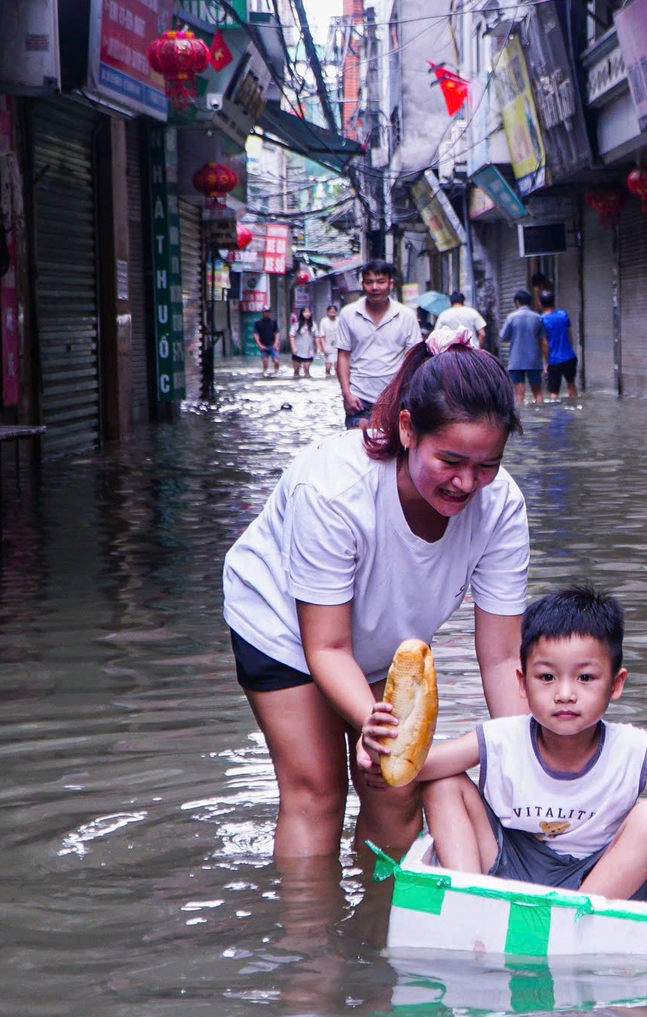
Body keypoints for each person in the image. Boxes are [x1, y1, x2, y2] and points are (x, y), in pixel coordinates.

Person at [223, 333, 530, 859]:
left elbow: (502, 658)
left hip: (385, 637)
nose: (466, 482)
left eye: (486, 465)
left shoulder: (500, 507)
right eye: (451, 460)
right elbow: (327, 649)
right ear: (408, 429)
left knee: (397, 787)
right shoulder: (333, 491)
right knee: (317, 792)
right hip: (285, 628)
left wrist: (527, 761)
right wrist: (371, 723)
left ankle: (375, 931)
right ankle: (310, 938)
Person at [412, 587, 647, 901]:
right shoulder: (502, 737)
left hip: (596, 880)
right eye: (547, 677)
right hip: (507, 864)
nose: (565, 693)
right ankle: (468, 902)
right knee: (441, 782)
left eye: (585, 678)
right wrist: (380, 750)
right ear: (522, 683)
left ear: (615, 684)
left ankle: (572, 919)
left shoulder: (631, 748)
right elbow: (418, 768)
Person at [334, 260, 423, 428]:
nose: (374, 287)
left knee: (395, 452)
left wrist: (410, 396)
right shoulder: (348, 314)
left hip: (395, 399)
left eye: (380, 282)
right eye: (369, 282)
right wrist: (346, 394)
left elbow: (414, 358)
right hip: (359, 398)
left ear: (390, 283)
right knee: (356, 450)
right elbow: (343, 356)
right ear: (362, 284)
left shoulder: (406, 316)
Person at [498, 290, 545, 406]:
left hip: (516, 360)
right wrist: (547, 361)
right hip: (534, 360)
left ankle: (520, 418)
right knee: (538, 391)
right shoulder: (538, 318)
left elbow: (503, 337)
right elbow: (543, 341)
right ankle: (543, 413)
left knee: (519, 394)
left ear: (517, 302)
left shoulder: (511, 317)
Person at [540, 288, 577, 399]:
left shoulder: (541, 319)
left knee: (553, 391)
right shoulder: (563, 314)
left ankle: (554, 414)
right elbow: (570, 336)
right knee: (571, 384)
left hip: (554, 360)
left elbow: (544, 344)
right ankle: (574, 407)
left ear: (540, 303)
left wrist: (547, 362)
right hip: (569, 357)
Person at [289, 303, 316, 379]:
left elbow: (317, 337)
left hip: (308, 351)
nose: (307, 314)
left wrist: (319, 348)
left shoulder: (313, 325)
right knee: (296, 372)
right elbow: (292, 336)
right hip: (298, 350)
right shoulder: (296, 325)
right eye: (305, 312)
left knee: (307, 370)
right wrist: (293, 347)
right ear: (301, 314)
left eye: (308, 312)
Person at [255, 309, 280, 376]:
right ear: (262, 313)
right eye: (265, 312)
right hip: (264, 345)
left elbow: (277, 332)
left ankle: (276, 372)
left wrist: (276, 343)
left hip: (272, 345)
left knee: (276, 361)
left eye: (268, 312)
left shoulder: (273, 322)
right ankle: (265, 373)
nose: (266, 314)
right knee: (265, 362)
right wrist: (259, 345)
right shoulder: (258, 323)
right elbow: (255, 334)